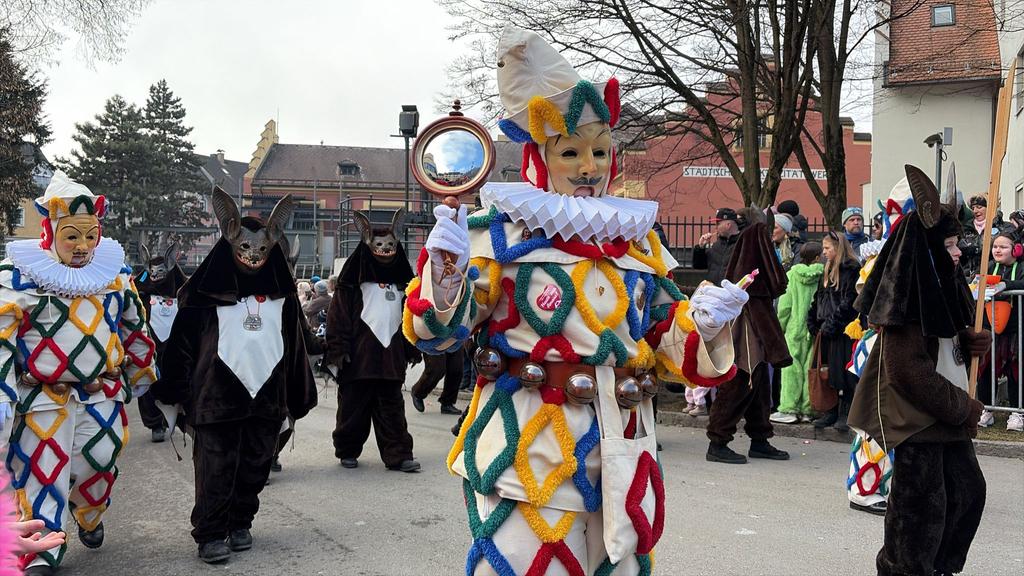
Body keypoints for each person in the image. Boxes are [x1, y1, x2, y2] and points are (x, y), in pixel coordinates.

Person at [405, 27, 748, 574]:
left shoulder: (637, 239)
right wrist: (443, 275)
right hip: (528, 439)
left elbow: (658, 338)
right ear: (541, 156)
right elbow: (440, 333)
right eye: (571, 152)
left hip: (621, 444)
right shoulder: (497, 232)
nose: (590, 167)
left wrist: (701, 323)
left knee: (616, 562)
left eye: (600, 151)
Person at [0, 171, 158, 575]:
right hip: (40, 400)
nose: (84, 246)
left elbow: (133, 326)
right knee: (41, 472)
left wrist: (143, 372)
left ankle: (89, 515)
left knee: (100, 462)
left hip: (100, 394)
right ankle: (41, 551)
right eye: (73, 236)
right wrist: (3, 393)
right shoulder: (16, 277)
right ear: (51, 230)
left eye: (91, 235)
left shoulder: (113, 275)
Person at [151, 190, 318, 564]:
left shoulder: (283, 297)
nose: (254, 255)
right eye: (245, 246)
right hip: (216, 397)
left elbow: (294, 346)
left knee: (256, 464)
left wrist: (297, 392)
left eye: (261, 248)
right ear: (230, 241)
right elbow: (181, 344)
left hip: (267, 396)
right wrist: (176, 388)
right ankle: (211, 532)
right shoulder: (204, 295)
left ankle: (241, 521)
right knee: (215, 468)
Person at [849, 166, 989, 576]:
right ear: (927, 251)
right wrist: (963, 407)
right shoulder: (909, 300)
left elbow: (945, 340)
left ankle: (939, 568)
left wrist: (969, 341)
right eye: (949, 244)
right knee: (919, 516)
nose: (958, 251)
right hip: (919, 421)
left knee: (967, 493)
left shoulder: (942, 285)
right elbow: (909, 370)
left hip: (944, 418)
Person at [326, 209, 422, 472]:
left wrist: (411, 348)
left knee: (392, 410)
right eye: (379, 245)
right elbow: (338, 318)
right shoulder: (352, 285)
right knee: (352, 409)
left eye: (391, 245)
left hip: (390, 360)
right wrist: (337, 348)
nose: (385, 249)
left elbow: (409, 321)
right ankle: (347, 449)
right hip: (358, 359)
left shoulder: (403, 287)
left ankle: (399, 454)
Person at [705, 206, 792, 464]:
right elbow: (776, 281)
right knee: (743, 377)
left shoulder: (749, 241)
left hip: (755, 316)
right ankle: (718, 440)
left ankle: (760, 438)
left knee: (759, 381)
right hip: (748, 319)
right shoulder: (754, 240)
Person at [135, 240, 188, 443]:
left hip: (175, 348)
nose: (156, 276)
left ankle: (172, 417)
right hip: (149, 346)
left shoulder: (183, 290)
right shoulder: (139, 292)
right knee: (148, 382)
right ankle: (155, 423)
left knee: (176, 380)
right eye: (152, 272)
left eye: (160, 272)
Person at [807, 231, 861, 431]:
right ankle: (830, 411)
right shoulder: (827, 269)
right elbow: (818, 298)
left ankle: (845, 413)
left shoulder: (851, 269)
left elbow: (849, 302)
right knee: (826, 372)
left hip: (841, 330)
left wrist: (833, 323)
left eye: (827, 248)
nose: (823, 252)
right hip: (824, 328)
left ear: (838, 249)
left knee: (842, 373)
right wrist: (812, 320)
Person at [771, 242, 824, 424]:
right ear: (817, 257)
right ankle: (808, 410)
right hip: (814, 329)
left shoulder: (792, 275)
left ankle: (789, 408)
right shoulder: (823, 276)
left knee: (792, 370)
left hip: (794, 329)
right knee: (811, 369)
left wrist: (780, 328)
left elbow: (785, 307)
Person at [977, 232, 1024, 431]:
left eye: (1003, 247)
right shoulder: (988, 267)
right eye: (995, 246)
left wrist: (1007, 285)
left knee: (1015, 372)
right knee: (986, 370)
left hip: (1015, 330)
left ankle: (1017, 412)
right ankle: (986, 409)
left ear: (1015, 249)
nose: (997, 250)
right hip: (991, 328)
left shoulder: (1021, 268)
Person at [692, 207, 741, 284]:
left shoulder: (742, 244)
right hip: (714, 292)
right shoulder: (716, 245)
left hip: (731, 293)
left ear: (728, 225)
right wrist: (700, 248)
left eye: (718, 223)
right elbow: (699, 265)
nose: (716, 227)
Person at [411, 349, 464, 415]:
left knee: (456, 368)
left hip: (455, 339)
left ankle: (447, 402)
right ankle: (418, 392)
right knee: (436, 369)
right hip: (433, 340)